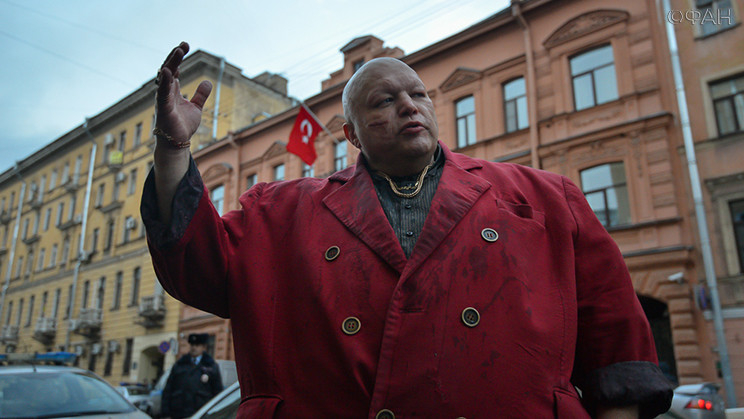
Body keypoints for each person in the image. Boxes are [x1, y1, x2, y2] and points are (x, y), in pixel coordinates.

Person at [142, 42, 674, 418]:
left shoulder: (543, 198)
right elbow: (198, 268)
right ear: (350, 133)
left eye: (418, 95)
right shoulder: (278, 212)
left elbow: (617, 346)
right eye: (384, 101)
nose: (408, 106)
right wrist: (173, 150)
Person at [160, 333, 223, 418]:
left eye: (197, 345)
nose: (194, 347)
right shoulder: (180, 364)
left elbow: (217, 392)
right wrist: (166, 414)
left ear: (203, 347)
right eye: (192, 345)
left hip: (200, 414)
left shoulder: (210, 366)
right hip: (178, 414)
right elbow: (168, 390)